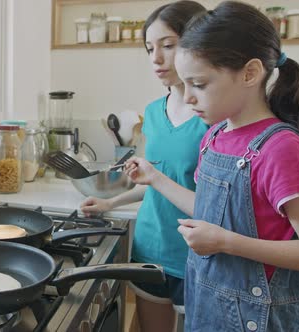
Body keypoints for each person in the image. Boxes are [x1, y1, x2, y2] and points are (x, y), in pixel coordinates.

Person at [124, 2, 299, 331]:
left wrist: (225, 242)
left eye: (200, 84)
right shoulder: (216, 136)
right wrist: (153, 178)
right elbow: (210, 210)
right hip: (207, 310)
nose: (189, 97)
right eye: (186, 84)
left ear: (250, 73)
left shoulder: (281, 148)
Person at [80, 2, 207, 331]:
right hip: (151, 248)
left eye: (168, 45)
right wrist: (110, 202)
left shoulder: (215, 116)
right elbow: (152, 180)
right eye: (150, 48)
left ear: (199, 42)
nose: (156, 58)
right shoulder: (153, 112)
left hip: (198, 256)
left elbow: (217, 202)